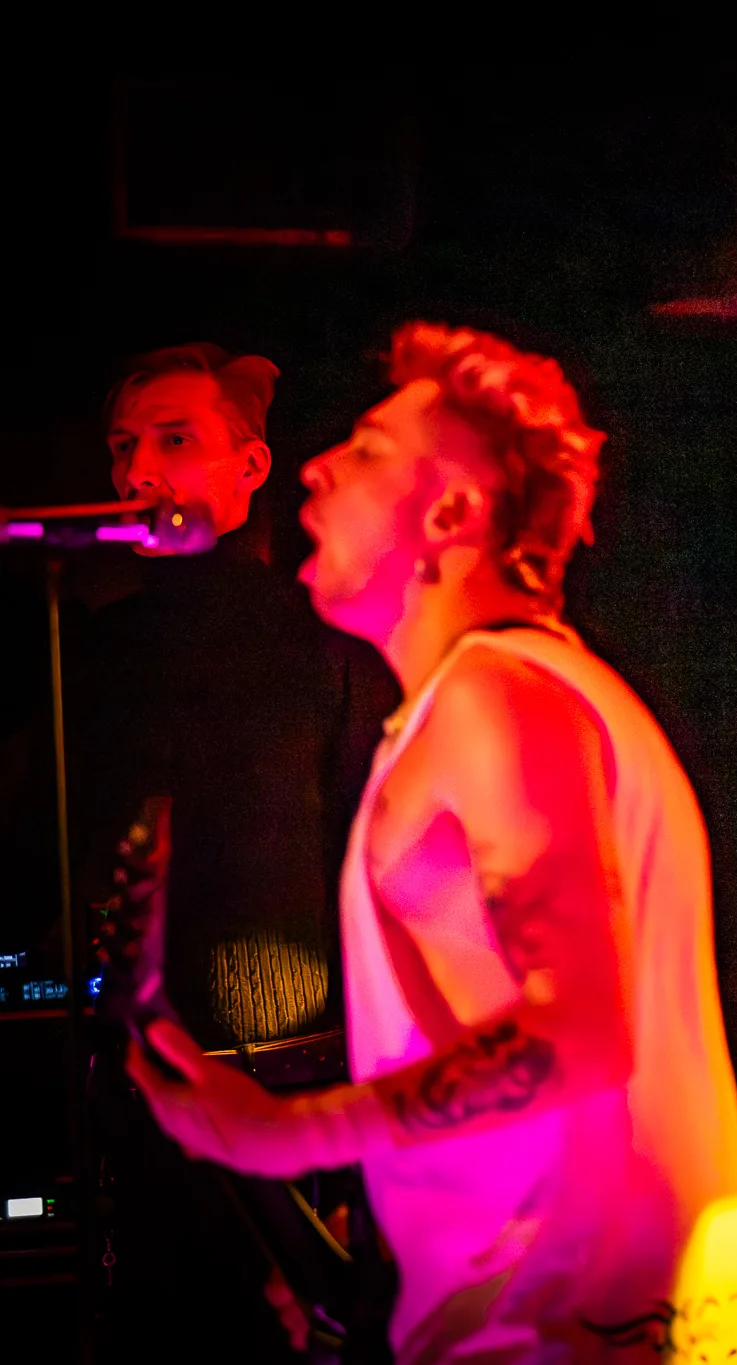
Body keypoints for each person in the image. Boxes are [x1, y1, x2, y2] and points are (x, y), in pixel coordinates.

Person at [130, 323, 737, 1363]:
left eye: (368, 451)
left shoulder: (494, 693)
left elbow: (575, 1033)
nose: (317, 468)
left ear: (452, 514)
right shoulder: (506, 695)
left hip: (564, 1318)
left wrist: (289, 1132)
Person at [71, 343, 396, 1360]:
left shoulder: (329, 643)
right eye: (123, 448)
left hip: (293, 1103)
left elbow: (378, 882)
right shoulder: (87, 652)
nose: (139, 471)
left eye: (174, 440)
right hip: (138, 1111)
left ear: (250, 465)